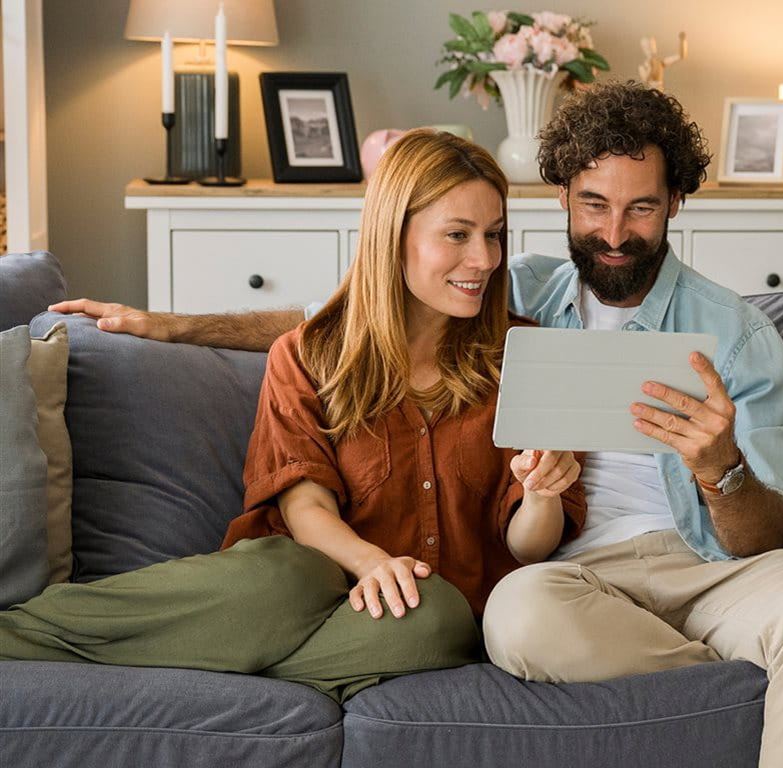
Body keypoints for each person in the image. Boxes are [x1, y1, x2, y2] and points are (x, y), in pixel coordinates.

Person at [51, 84, 783, 766]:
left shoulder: (739, 336)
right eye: (593, 205)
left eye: (642, 208)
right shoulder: (512, 290)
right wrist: (170, 327)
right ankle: (773, 670)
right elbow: (350, 321)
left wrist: (719, 466)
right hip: (573, 580)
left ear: (677, 203)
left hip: (715, 570)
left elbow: (763, 539)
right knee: (513, 619)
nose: (614, 233)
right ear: (564, 198)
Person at [0, 128, 586, 704]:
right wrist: (372, 563)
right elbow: (304, 505)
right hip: (302, 581)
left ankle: (220, 670)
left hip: (417, 615)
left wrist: (540, 494)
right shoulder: (308, 354)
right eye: (457, 234)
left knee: (434, 616)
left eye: (494, 234)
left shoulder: (524, 356)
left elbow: (529, 548)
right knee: (285, 577)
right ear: (392, 237)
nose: (483, 259)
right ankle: (20, 634)